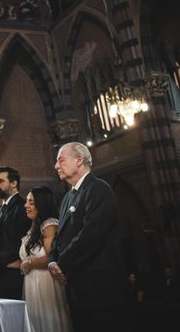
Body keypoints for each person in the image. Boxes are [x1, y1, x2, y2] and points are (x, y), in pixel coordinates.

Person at [48, 142, 127, 332]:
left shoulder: (99, 189)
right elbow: (60, 236)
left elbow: (92, 234)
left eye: (61, 160)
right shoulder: (68, 197)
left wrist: (62, 263)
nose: (56, 166)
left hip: (100, 287)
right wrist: (52, 260)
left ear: (79, 160)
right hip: (76, 286)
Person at [19, 186, 73, 332]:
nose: (26, 205)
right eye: (27, 202)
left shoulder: (49, 225)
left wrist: (30, 262)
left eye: (31, 202)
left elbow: (52, 257)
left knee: (48, 322)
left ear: (41, 204)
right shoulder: (34, 226)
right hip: (33, 283)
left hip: (46, 283)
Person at [0, 166, 31, 299]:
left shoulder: (23, 207)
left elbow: (21, 242)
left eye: (0, 181)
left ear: (14, 183)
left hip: (13, 278)